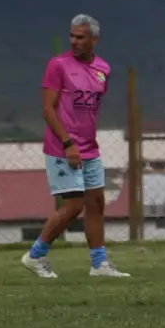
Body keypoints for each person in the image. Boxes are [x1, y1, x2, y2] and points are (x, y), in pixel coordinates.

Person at [21, 14, 130, 279]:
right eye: (71, 36)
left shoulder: (103, 69)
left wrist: (83, 143)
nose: (74, 41)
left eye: (80, 37)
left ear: (94, 39)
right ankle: (35, 255)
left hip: (89, 147)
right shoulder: (57, 65)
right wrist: (68, 143)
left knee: (96, 203)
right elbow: (48, 110)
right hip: (62, 147)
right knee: (74, 205)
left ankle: (99, 264)